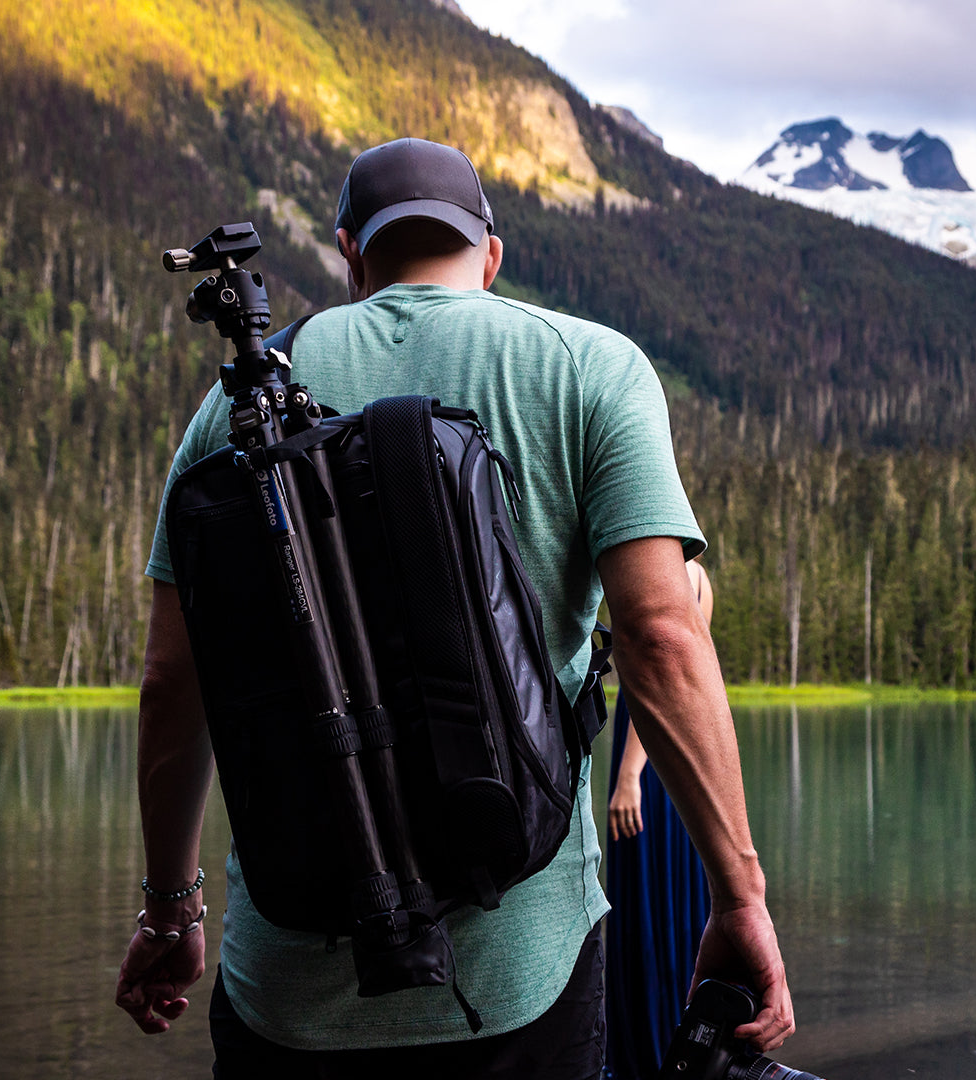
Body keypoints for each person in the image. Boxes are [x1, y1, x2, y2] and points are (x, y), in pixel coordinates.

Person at [115, 137, 794, 1079]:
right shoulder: (590, 367)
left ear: (350, 252)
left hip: (286, 989)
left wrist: (169, 910)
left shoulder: (234, 406)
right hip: (524, 979)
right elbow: (661, 636)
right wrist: (740, 898)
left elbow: (173, 684)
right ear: (493, 252)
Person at [605, 559, 715, 1078]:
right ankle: (685, 1048)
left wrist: (629, 775)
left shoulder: (666, 569)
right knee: (675, 908)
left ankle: (646, 1053)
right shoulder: (698, 576)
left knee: (648, 905)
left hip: (648, 766)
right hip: (679, 764)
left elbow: (658, 678)